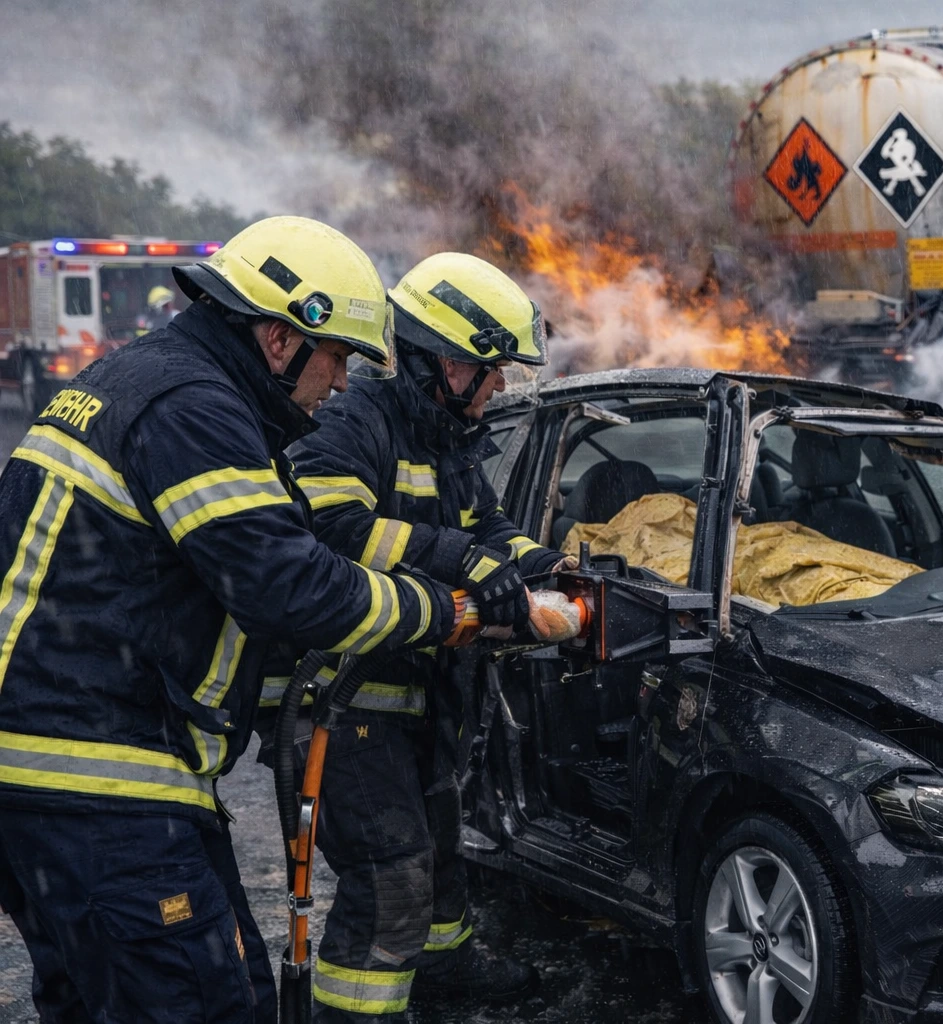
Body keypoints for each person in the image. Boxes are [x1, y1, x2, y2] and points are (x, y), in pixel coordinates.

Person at [0, 215, 478, 1023]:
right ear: (281, 337)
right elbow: (290, 586)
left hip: (52, 783)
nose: (342, 385)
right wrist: (443, 608)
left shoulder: (136, 379)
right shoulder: (195, 408)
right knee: (215, 1003)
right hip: (99, 781)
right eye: (338, 358)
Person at [283, 252, 565, 1020]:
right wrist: (458, 558)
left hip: (419, 694)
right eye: (491, 368)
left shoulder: (448, 436)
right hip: (341, 701)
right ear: (443, 361)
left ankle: (444, 968)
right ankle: (356, 1012)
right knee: (393, 876)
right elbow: (326, 530)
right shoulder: (351, 421)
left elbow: (489, 528)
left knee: (439, 845)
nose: (500, 385)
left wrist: (546, 567)